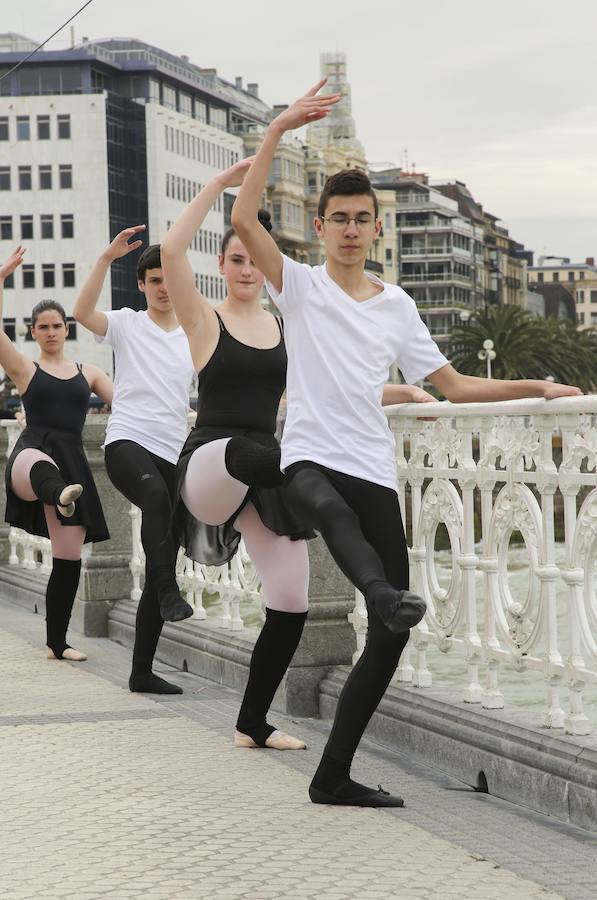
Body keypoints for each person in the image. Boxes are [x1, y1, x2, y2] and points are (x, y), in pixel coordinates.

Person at [231, 79, 583, 807]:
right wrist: (277, 130)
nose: (352, 229)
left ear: (375, 230)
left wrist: (533, 388)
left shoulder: (395, 306)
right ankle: (382, 593)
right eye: (340, 219)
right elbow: (241, 216)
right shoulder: (297, 286)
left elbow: (451, 387)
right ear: (321, 227)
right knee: (328, 512)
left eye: (362, 219)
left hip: (369, 463)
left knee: (389, 637)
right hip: (306, 463)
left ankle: (332, 775)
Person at [161, 159, 314, 750]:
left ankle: (253, 723)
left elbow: (315, 388)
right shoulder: (203, 318)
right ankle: (168, 553)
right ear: (222, 265)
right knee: (253, 454)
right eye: (236, 258)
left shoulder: (283, 325)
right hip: (211, 464)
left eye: (256, 259)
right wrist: (217, 188)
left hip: (262, 465)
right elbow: (172, 253)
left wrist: (402, 393)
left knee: (291, 599)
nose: (247, 269)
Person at [73, 231, 195, 695]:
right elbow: (83, 314)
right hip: (127, 442)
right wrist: (105, 256)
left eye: (169, 279)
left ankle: (141, 671)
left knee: (165, 548)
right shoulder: (127, 323)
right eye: (155, 280)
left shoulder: (192, 332)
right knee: (155, 499)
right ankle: (167, 588)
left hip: (173, 449)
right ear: (141, 285)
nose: (164, 287)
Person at [1, 246, 112, 661]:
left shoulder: (90, 373)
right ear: (34, 332)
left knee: (67, 560)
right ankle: (59, 493)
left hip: (73, 465)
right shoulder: (26, 370)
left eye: (57, 325)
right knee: (42, 466)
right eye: (43, 326)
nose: (50, 331)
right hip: (31, 456)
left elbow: (130, 402)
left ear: (67, 329)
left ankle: (57, 644)